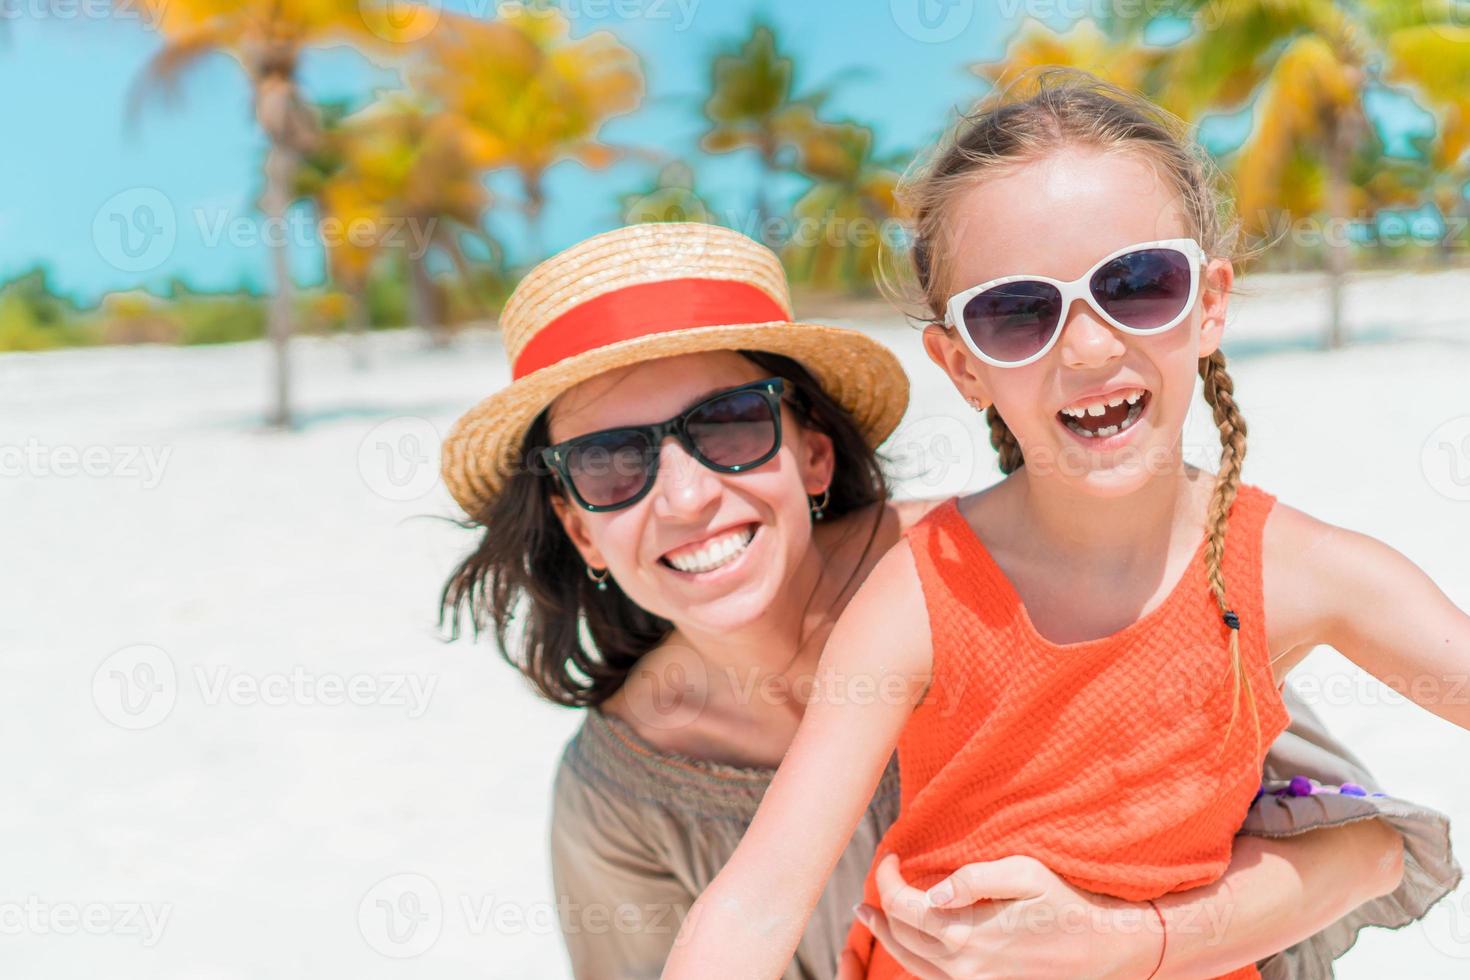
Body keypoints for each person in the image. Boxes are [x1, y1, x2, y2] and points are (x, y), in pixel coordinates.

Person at [438, 220, 1459, 980]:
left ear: (811, 451)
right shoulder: (619, 793)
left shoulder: (1025, 568)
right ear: (578, 525)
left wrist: (1118, 943)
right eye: (614, 461)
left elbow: (1365, 843)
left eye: (729, 425)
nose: (689, 490)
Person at [660, 71, 1469, 980]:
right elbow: (761, 899)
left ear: (1209, 304)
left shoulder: (1302, 570)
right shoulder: (920, 596)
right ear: (962, 368)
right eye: (1017, 312)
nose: (1088, 347)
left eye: (1138, 284)